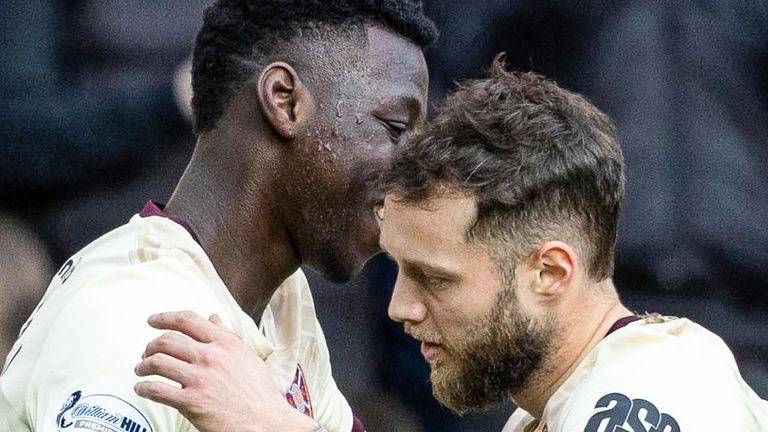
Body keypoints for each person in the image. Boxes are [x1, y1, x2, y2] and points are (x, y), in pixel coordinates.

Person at [134, 56, 768, 431]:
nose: (400, 307)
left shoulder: (644, 393)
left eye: (435, 278)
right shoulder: (558, 403)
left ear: (549, 272)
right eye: (399, 270)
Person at [0, 1, 436, 431]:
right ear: (284, 101)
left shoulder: (282, 302)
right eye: (395, 128)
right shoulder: (138, 325)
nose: (414, 173)